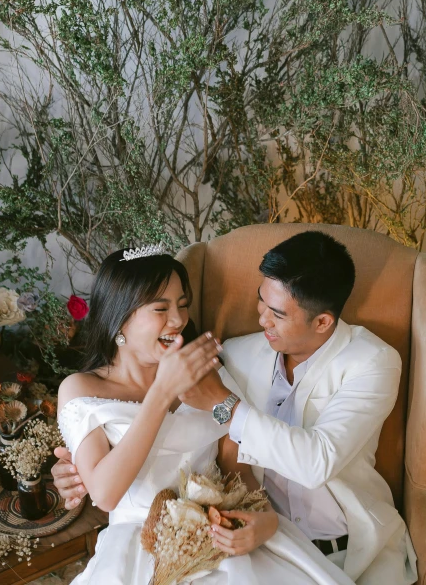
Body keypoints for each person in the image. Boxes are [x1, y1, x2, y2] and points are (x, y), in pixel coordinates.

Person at [56, 246, 356, 585]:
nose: (179, 320)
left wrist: (265, 519)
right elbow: (105, 494)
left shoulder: (204, 372)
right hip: (139, 548)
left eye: (183, 305)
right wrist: (162, 392)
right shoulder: (82, 389)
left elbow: (236, 470)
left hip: (219, 531)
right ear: (120, 317)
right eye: (161, 308)